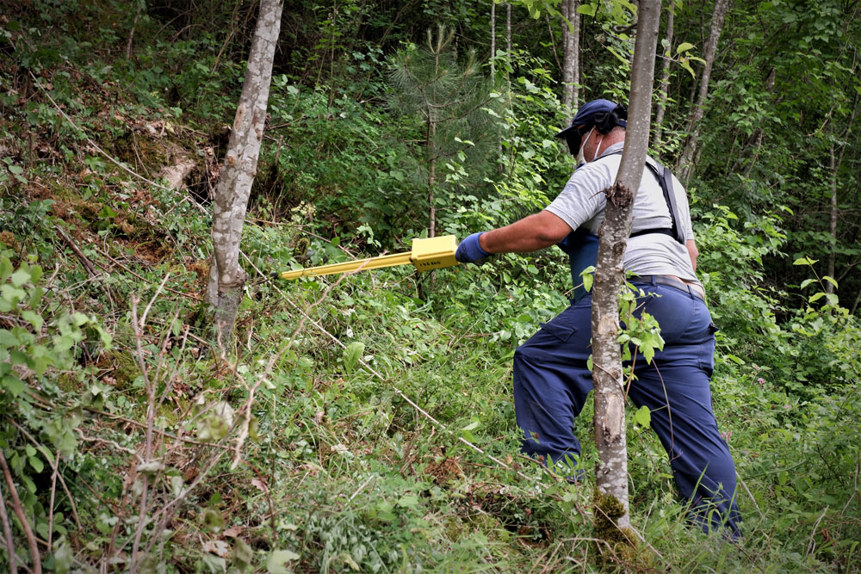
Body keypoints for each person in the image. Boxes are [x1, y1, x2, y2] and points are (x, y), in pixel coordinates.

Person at [455, 98, 742, 538]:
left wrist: (482, 243)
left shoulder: (607, 169)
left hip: (640, 297)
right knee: (695, 434)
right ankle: (721, 538)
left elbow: (548, 228)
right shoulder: (668, 180)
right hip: (688, 308)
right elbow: (690, 253)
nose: (576, 151)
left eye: (576, 141)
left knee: (540, 360)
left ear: (594, 131)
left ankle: (555, 483)